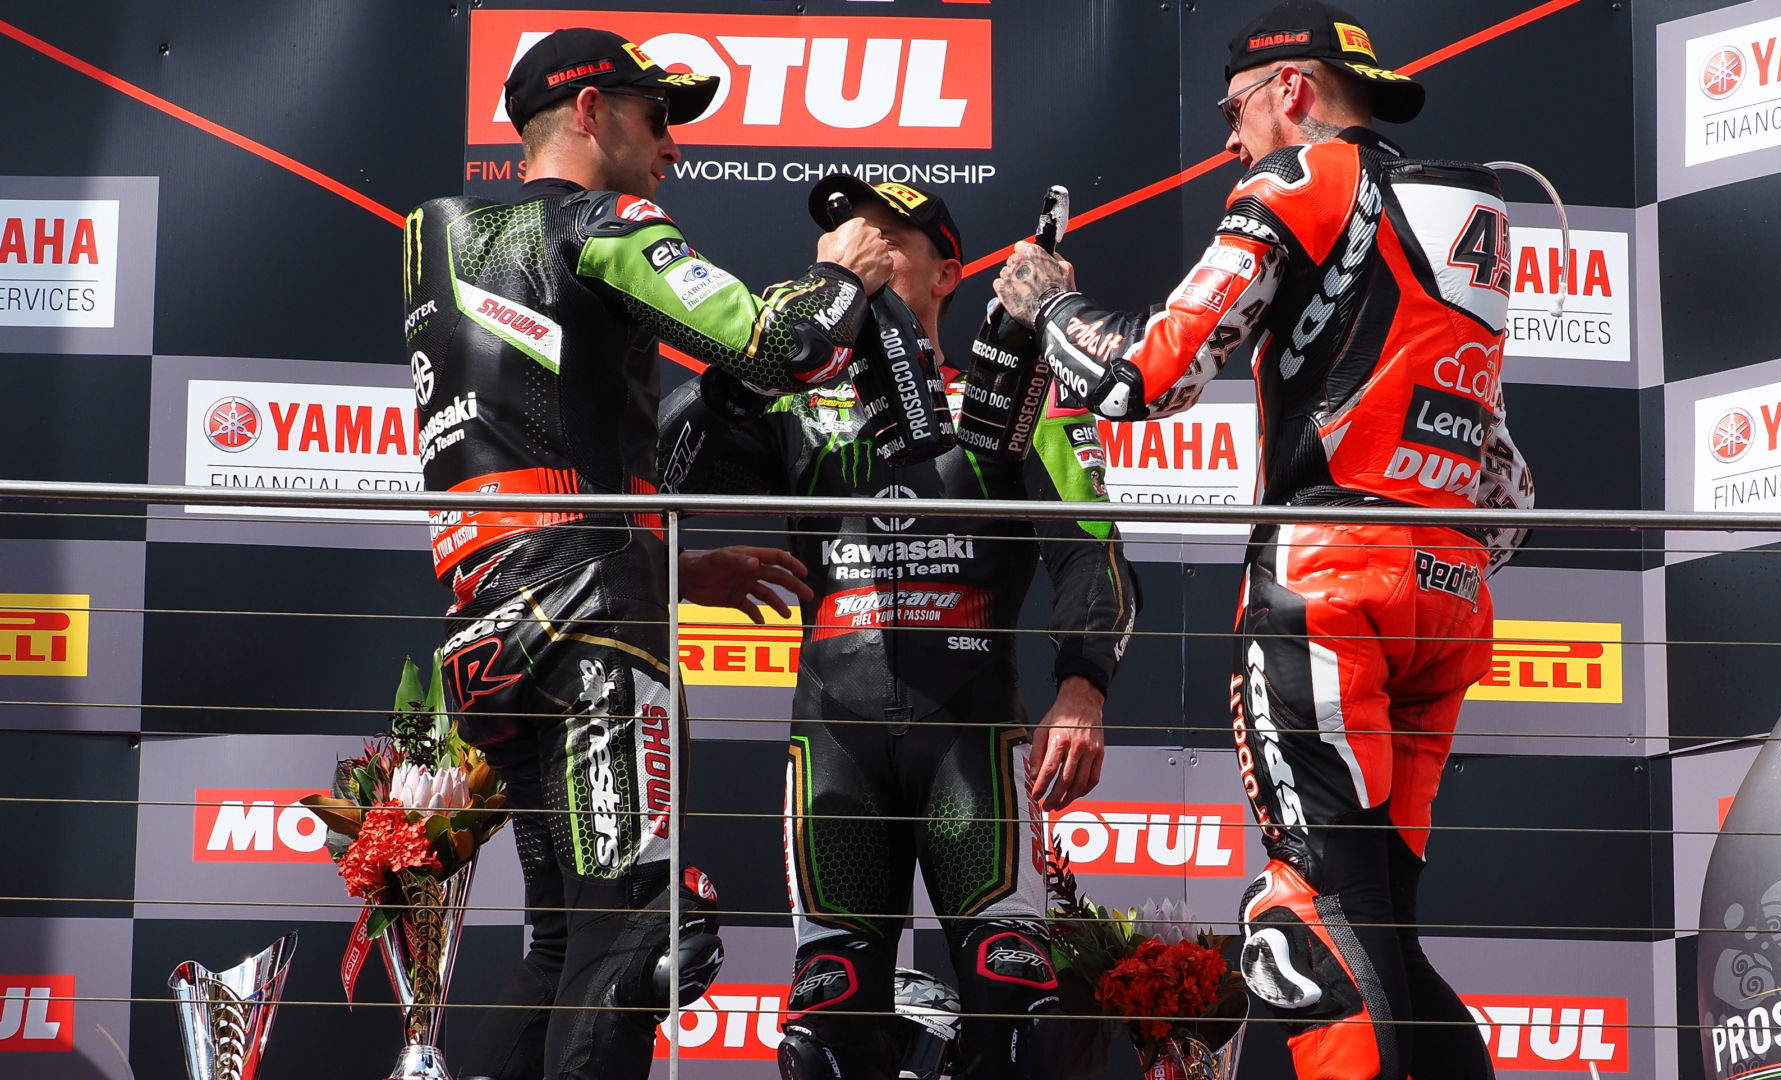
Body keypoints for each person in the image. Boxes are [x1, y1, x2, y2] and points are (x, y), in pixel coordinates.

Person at [991, 3, 1534, 1077]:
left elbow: (1143, 376)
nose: (1230, 141)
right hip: (1451, 591)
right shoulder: (1466, 215)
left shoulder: (1301, 181)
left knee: (1309, 917)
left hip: (1327, 583)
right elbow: (1509, 487)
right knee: (1379, 922)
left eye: (1235, 111)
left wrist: (1053, 304)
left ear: (1292, 91)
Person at [402, 27, 895, 1080]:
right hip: (589, 618)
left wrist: (667, 564)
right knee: (636, 939)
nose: (672, 146)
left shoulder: (439, 239)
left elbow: (527, 454)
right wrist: (838, 275)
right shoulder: (603, 221)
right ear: (591, 113)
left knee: (559, 944)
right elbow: (780, 346)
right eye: (656, 116)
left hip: (489, 611)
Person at [658, 176, 1141, 1080]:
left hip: (973, 742)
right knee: (824, 1036)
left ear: (948, 271)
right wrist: (785, 334)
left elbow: (1093, 554)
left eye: (887, 239)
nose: (864, 252)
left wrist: (1082, 687)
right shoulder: (793, 408)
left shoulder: (1007, 406)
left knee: (1018, 1017)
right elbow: (662, 469)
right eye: (847, 240)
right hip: (834, 741)